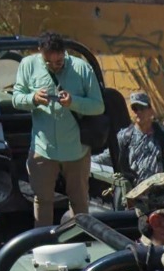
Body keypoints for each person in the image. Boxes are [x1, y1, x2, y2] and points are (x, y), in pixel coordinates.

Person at [9, 34, 104, 229]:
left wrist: (74, 102)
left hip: (76, 148)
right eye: (48, 62)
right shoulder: (28, 65)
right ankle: (42, 245)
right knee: (42, 200)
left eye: (59, 61)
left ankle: (79, 240)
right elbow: (16, 98)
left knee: (79, 201)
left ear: (64, 54)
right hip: (43, 149)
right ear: (40, 53)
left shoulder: (81, 68)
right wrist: (33, 98)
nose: (54, 65)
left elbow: (98, 106)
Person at [112, 90, 164, 184]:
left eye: (142, 108)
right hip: (135, 193)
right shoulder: (124, 136)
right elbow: (111, 155)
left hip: (161, 193)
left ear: (151, 111)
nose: (138, 112)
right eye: (135, 109)